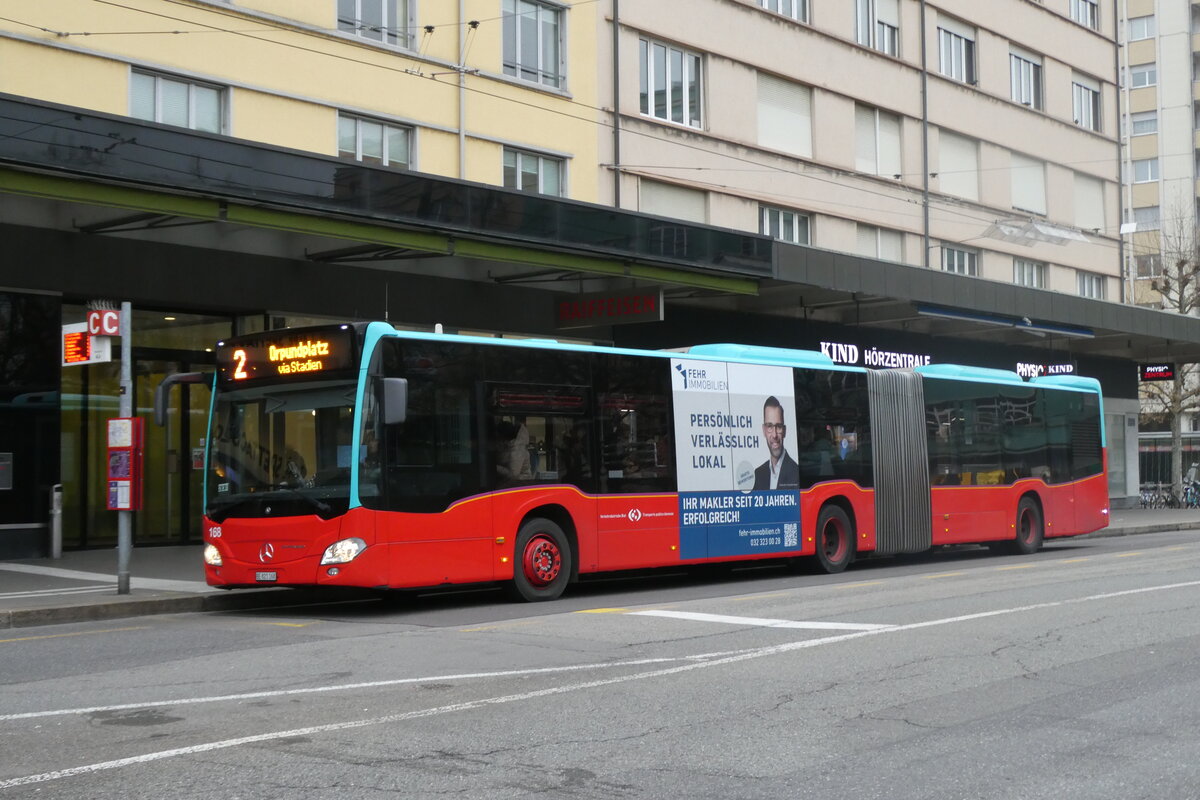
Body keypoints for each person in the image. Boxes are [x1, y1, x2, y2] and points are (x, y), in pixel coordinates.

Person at [752, 396, 799, 490]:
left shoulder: (796, 472)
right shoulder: (758, 474)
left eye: (778, 426)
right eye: (769, 426)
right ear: (764, 430)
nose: (774, 435)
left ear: (784, 431)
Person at [495, 419, 533, 484]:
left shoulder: (517, 449)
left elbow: (513, 475)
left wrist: (495, 467)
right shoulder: (508, 446)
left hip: (520, 484)